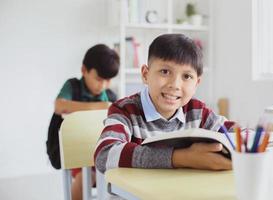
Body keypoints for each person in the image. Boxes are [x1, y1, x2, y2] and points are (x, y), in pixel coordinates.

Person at [94, 34, 234, 175]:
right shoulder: (125, 110)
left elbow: (239, 134)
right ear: (145, 75)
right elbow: (104, 155)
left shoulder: (197, 112)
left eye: (187, 76)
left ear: (196, 83)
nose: (175, 85)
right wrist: (183, 157)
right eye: (165, 72)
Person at [55, 44, 119, 200]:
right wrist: (99, 107)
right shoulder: (73, 86)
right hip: (77, 149)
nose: (103, 85)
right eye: (98, 79)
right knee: (85, 177)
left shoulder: (110, 95)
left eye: (108, 80)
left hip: (101, 149)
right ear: (84, 70)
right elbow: (59, 106)